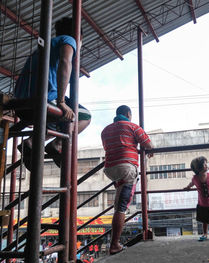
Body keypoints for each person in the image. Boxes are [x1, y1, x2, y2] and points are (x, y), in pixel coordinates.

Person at [14, 16, 91, 171]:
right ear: (79, 36)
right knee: (84, 116)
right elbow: (65, 63)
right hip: (43, 98)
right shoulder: (69, 41)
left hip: (21, 103)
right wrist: (61, 101)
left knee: (62, 120)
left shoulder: (46, 46)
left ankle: (32, 142)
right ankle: (55, 144)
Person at [101, 105, 153, 255]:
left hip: (110, 169)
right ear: (128, 114)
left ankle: (114, 243)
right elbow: (148, 144)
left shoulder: (105, 130)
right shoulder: (133, 126)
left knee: (119, 204)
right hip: (126, 168)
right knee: (121, 208)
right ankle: (114, 244)